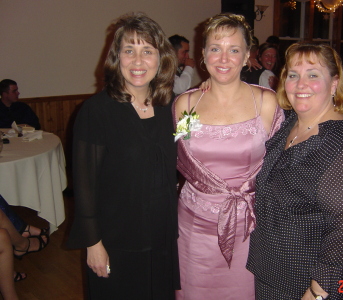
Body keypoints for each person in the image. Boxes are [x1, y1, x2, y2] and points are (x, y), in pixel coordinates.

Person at [247, 43, 343, 299]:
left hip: (311, 285)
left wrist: (318, 292)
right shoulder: (289, 127)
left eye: (313, 75)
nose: (301, 84)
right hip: (274, 274)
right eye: (293, 75)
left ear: (334, 84)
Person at [67, 12, 180, 299]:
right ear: (117, 58)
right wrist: (93, 244)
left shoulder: (172, 107)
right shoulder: (97, 111)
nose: (138, 61)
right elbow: (84, 186)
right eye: (129, 50)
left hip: (162, 237)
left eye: (147, 51)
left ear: (161, 58)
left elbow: (191, 147)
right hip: (117, 241)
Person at [173, 13, 284, 300]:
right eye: (215, 48)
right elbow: (177, 155)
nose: (224, 58)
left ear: (248, 55)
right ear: (203, 54)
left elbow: (283, 168)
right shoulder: (187, 104)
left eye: (234, 49)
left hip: (248, 227)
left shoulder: (265, 103)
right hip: (194, 227)